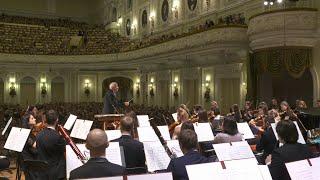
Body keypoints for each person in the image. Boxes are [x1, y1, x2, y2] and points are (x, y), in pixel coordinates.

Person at [36, 110, 66, 180]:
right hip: (56, 173)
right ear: (57, 120)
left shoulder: (38, 135)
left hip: (42, 173)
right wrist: (63, 139)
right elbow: (64, 150)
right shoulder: (58, 136)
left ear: (45, 120)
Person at [21, 113, 38, 180]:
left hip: (30, 157)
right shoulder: (26, 133)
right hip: (29, 161)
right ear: (27, 122)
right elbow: (35, 145)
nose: (35, 119)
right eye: (32, 118)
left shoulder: (29, 132)